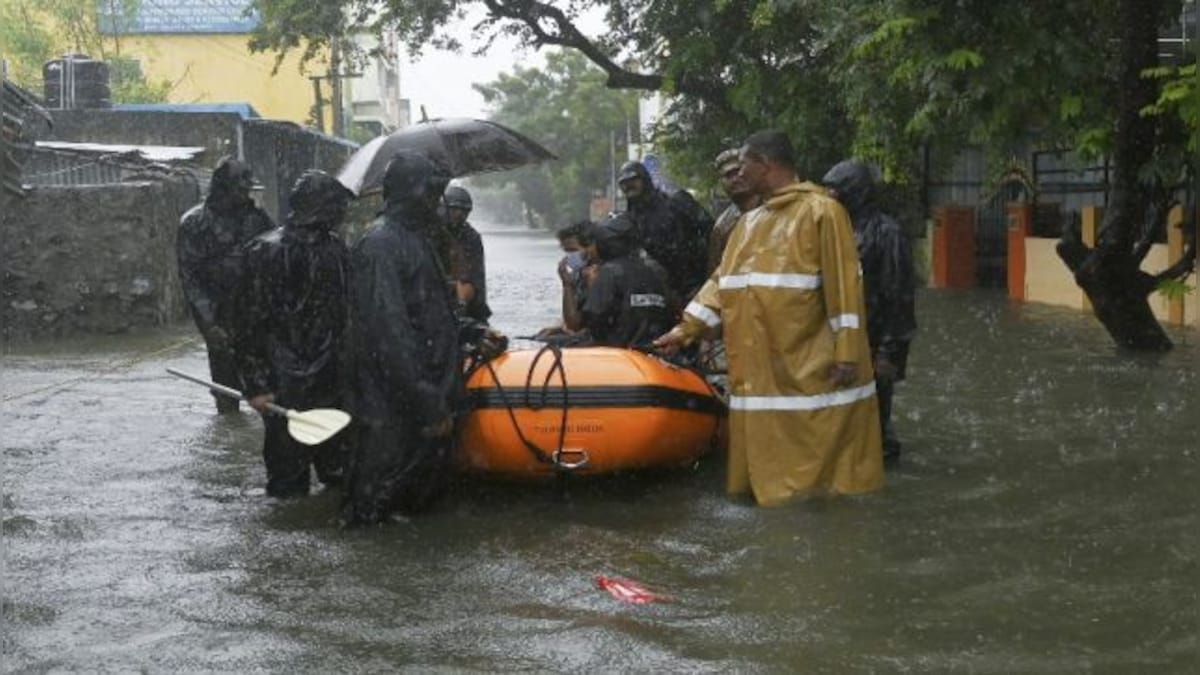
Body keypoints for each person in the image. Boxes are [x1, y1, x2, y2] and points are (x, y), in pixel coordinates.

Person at [653, 130, 883, 506]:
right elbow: (721, 283)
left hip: (809, 361)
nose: (737, 175)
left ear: (766, 165)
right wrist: (686, 328)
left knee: (819, 464)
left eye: (743, 166)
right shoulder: (748, 224)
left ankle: (817, 519)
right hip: (759, 364)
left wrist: (847, 352)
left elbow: (845, 286)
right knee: (768, 460)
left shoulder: (822, 212)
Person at [342, 151, 459, 526]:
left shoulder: (417, 240)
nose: (437, 202)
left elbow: (429, 312)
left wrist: (472, 333)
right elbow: (388, 331)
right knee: (377, 507)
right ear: (413, 192)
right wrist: (426, 398)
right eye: (432, 192)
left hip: (418, 397)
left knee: (414, 507)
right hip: (392, 405)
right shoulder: (380, 245)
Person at [235, 170, 352, 498]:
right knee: (288, 481)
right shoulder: (264, 251)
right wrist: (257, 385)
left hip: (329, 380)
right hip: (284, 382)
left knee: (338, 475)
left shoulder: (337, 251)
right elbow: (247, 324)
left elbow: (347, 315)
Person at [821, 159, 917, 465]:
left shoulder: (886, 232)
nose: (829, 196)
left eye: (835, 189)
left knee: (875, 415)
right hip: (844, 341)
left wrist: (889, 352)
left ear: (854, 191)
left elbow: (899, 294)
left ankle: (882, 468)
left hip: (877, 341)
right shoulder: (834, 229)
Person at [178, 156, 274, 413]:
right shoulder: (194, 223)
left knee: (266, 387)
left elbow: (274, 263)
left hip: (256, 315)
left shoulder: (258, 219)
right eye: (240, 188)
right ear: (224, 187)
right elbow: (191, 279)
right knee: (225, 386)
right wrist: (209, 324)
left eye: (247, 189)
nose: (245, 194)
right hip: (219, 314)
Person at [562, 213, 675, 348]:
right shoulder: (655, 271)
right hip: (650, 350)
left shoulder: (609, 273)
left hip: (617, 353)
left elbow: (575, 324)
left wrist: (567, 284)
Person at [617, 160, 714, 301]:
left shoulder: (676, 201)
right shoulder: (629, 219)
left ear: (644, 179)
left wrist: (707, 279)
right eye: (624, 183)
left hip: (695, 285)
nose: (628, 185)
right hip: (660, 293)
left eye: (633, 180)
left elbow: (711, 232)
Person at [707, 148, 763, 276]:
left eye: (737, 172)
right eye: (728, 176)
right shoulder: (722, 227)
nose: (734, 179)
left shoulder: (775, 205)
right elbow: (715, 274)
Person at [442, 185, 492, 322]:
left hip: (468, 301)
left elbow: (475, 278)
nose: (459, 214)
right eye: (454, 209)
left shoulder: (471, 237)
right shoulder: (430, 232)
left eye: (464, 211)